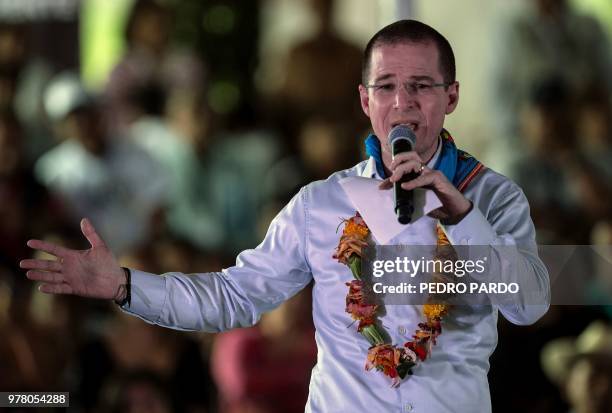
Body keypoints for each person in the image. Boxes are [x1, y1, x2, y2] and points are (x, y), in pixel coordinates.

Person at [21, 20, 550, 412]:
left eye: (421, 86)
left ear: (451, 96)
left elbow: (529, 306)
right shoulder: (321, 204)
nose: (403, 103)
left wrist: (460, 215)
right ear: (365, 100)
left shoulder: (493, 198)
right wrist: (124, 286)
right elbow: (234, 297)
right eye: (386, 86)